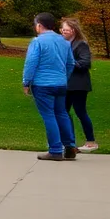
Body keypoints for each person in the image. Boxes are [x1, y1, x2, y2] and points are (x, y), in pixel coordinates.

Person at [22, 12, 77, 161]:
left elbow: (31, 63)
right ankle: (70, 144)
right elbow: (71, 63)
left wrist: (26, 82)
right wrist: (63, 77)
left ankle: (55, 150)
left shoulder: (37, 42)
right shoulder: (64, 41)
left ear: (39, 25)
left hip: (43, 84)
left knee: (49, 115)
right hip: (60, 84)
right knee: (62, 113)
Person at [60, 17, 97, 151]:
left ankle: (91, 141)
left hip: (79, 84)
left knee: (80, 112)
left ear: (73, 31)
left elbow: (85, 63)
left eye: (66, 30)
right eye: (62, 29)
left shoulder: (80, 44)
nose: (63, 32)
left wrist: (69, 62)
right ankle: (69, 142)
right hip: (67, 84)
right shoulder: (64, 44)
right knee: (63, 112)